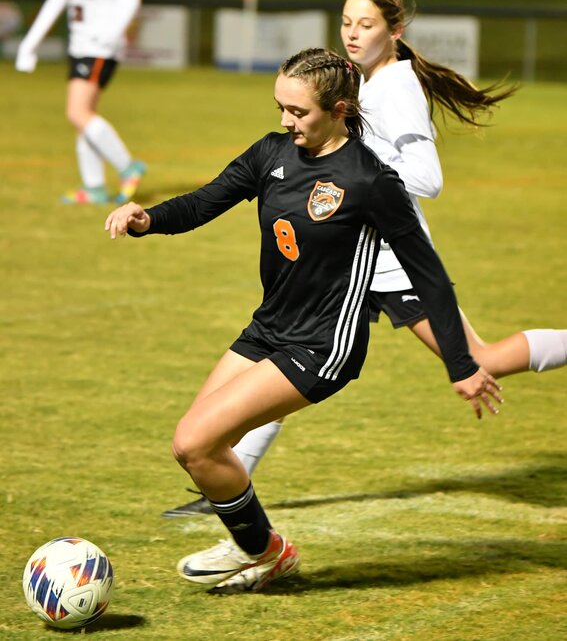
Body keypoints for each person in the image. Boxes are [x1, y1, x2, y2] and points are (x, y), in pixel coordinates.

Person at [163, 0, 567, 520]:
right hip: (351, 255)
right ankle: (230, 481)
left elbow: (427, 177)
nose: (352, 34)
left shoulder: (396, 88)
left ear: (394, 31)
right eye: (346, 22)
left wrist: (354, 178)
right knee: (286, 353)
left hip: (389, 262)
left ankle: (231, 487)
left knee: (481, 358)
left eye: (366, 24)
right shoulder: (362, 81)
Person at [105, 47, 502, 593]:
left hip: (323, 346)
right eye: (281, 107)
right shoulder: (272, 154)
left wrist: (460, 362)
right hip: (269, 329)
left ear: (339, 109)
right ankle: (260, 548)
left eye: (299, 112)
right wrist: (147, 218)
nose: (285, 121)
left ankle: (264, 551)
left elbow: (427, 273)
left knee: (195, 440)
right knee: (193, 450)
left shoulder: (369, 179)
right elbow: (205, 201)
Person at [15, 0, 146, 204]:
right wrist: (29, 43)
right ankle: (95, 188)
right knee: (82, 118)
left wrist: (110, 34)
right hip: (80, 47)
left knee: (77, 112)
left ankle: (128, 166)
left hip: (99, 48)